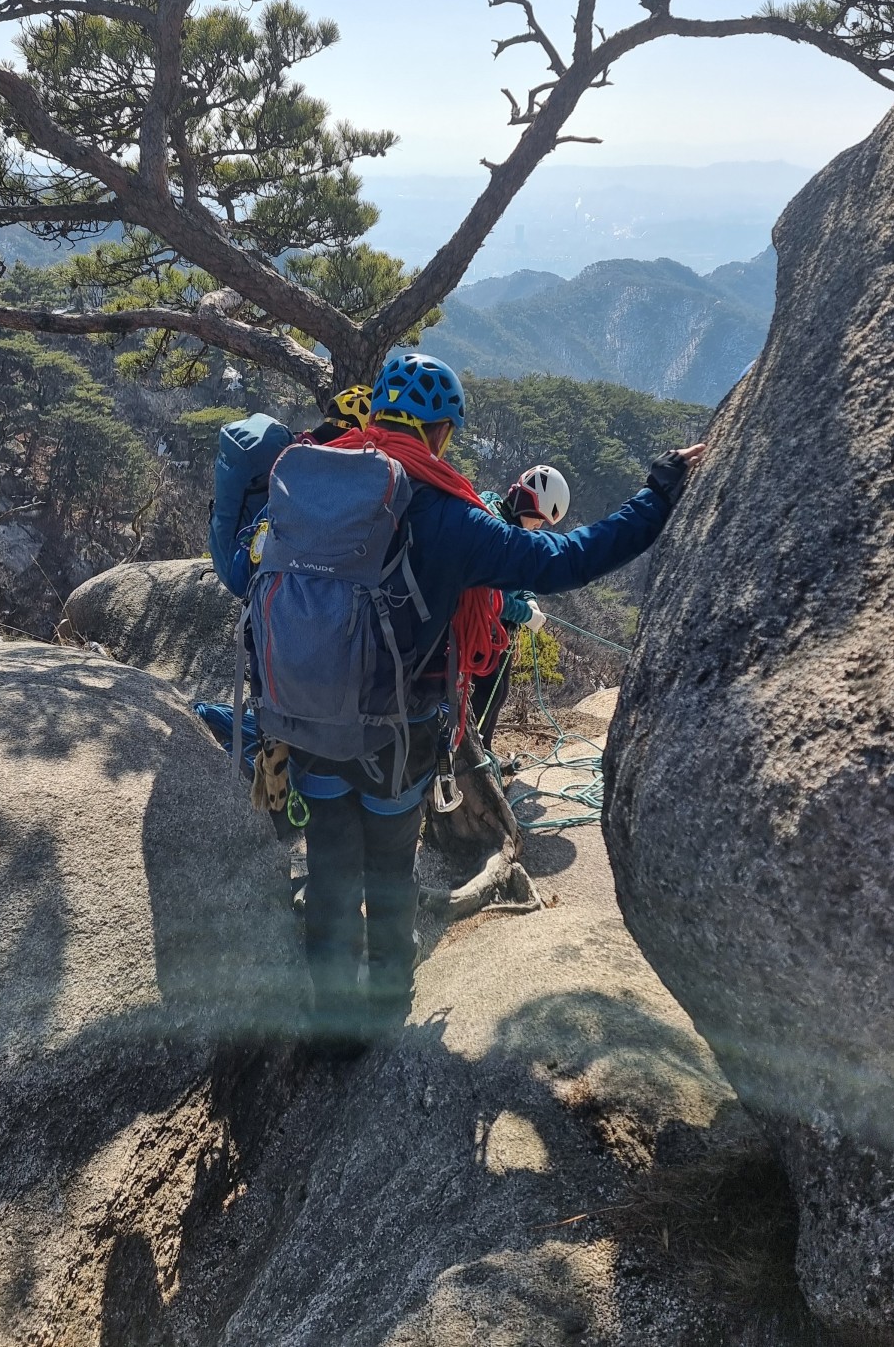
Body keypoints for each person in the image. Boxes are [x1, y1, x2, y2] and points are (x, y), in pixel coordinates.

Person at [270, 352, 705, 1046]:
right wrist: (659, 492)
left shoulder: (310, 474)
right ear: (441, 432)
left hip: (309, 714)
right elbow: (565, 561)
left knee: (328, 863)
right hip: (397, 733)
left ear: (376, 409)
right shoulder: (445, 512)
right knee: (386, 865)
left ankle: (329, 1019)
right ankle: (382, 1013)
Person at [472, 465, 571, 751]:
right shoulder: (498, 533)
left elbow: (518, 577)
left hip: (497, 631)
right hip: (482, 630)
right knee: (487, 693)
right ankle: (473, 761)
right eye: (538, 519)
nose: (538, 526)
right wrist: (526, 614)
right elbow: (488, 597)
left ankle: (485, 755)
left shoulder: (511, 528)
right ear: (527, 506)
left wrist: (529, 598)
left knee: (498, 692)